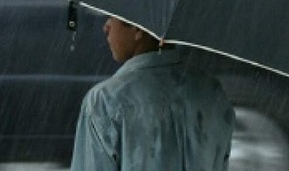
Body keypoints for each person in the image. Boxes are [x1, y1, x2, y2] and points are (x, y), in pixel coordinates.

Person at [70, 16, 235, 170]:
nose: (106, 27)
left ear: (137, 29)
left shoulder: (105, 101)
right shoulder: (212, 93)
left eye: (112, 17)